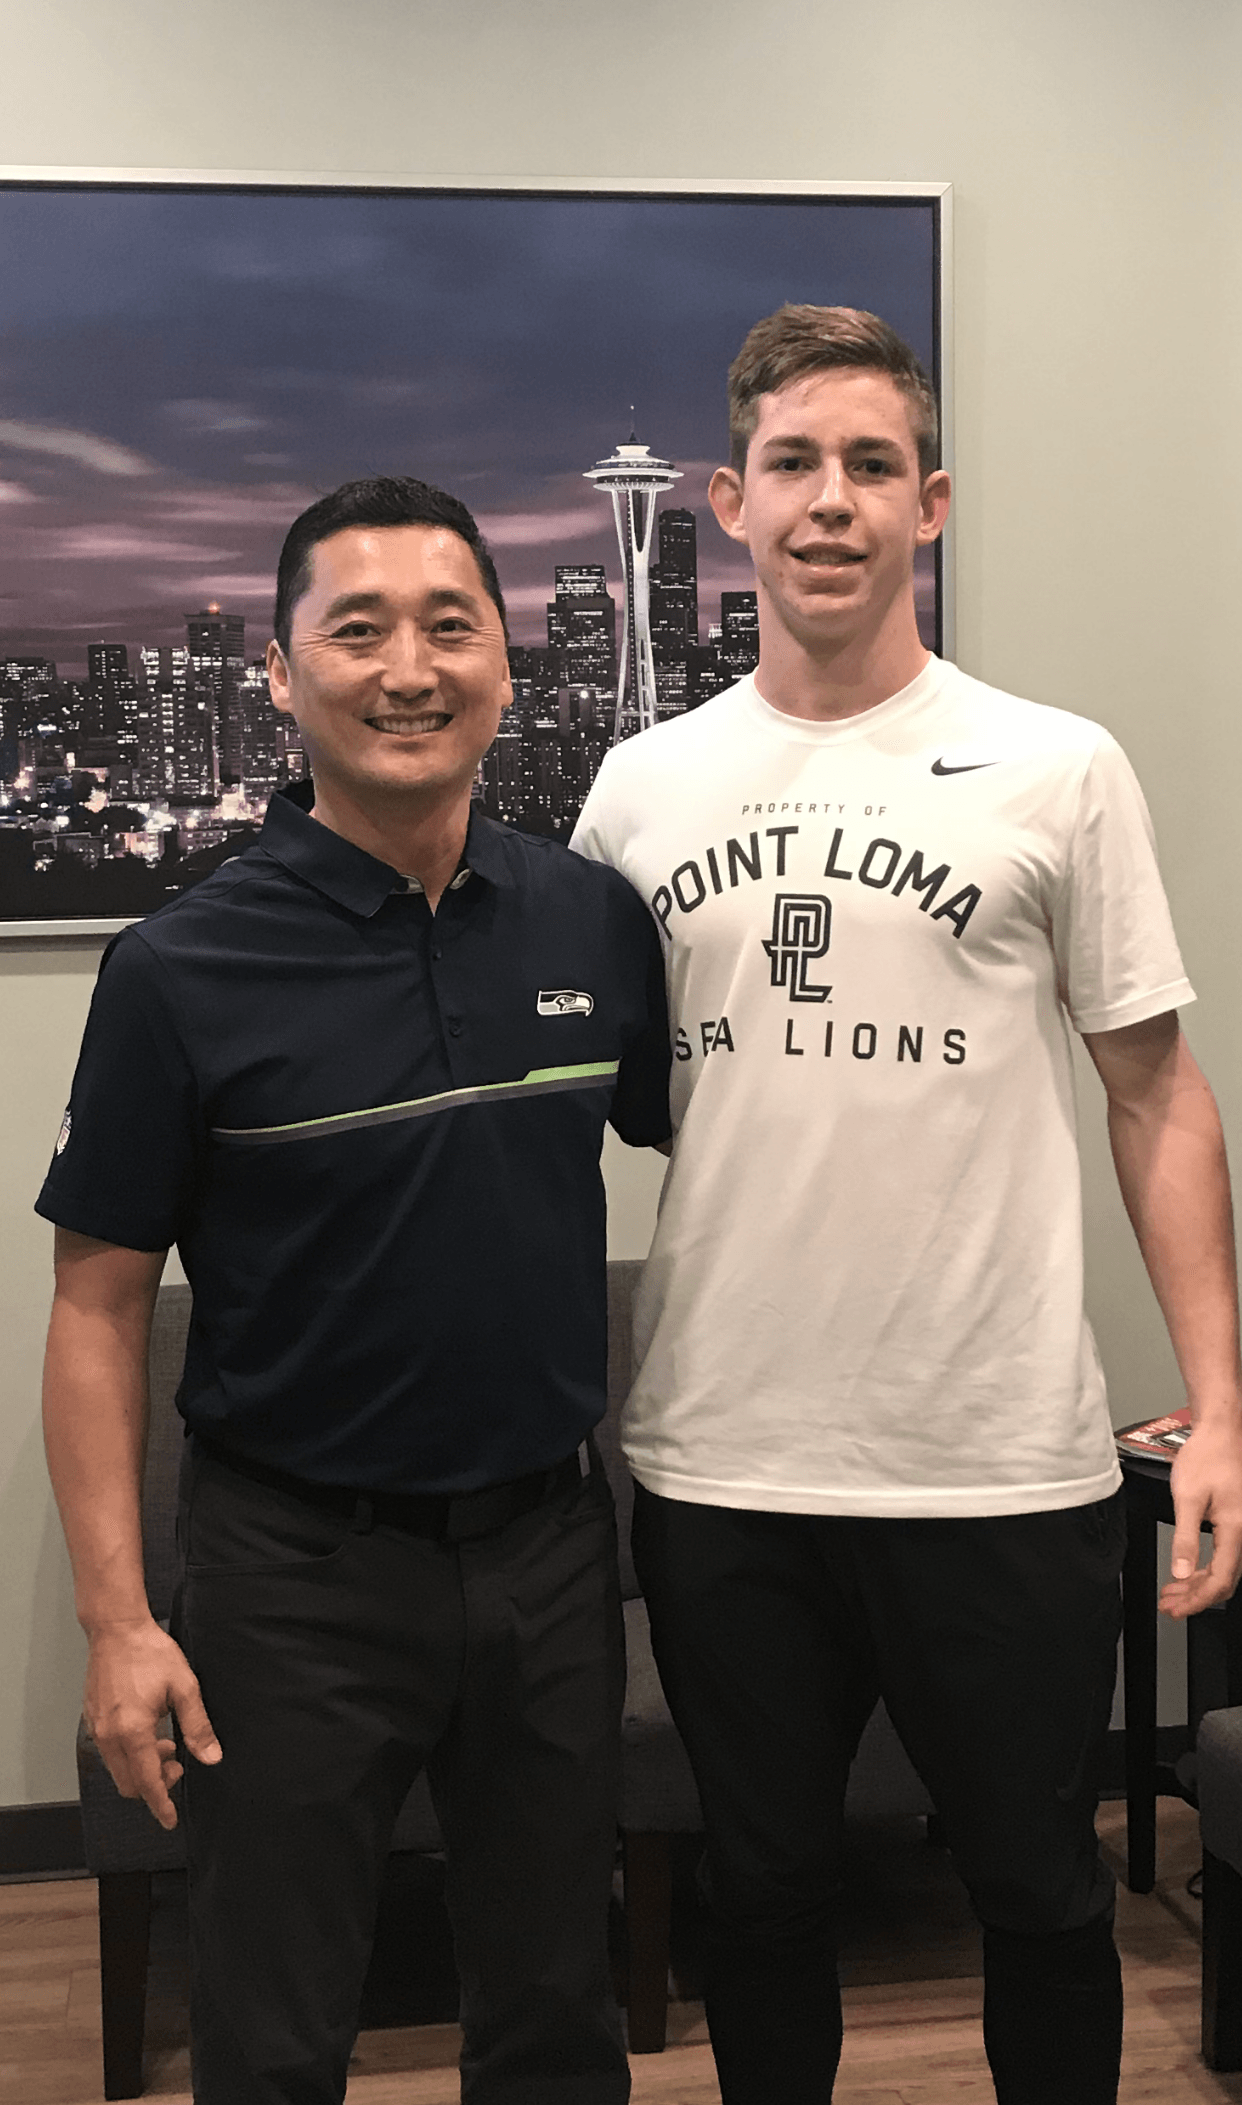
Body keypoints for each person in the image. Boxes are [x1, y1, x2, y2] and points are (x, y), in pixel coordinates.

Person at [570, 305, 1242, 2105]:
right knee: (769, 1899)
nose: (830, 501)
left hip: (996, 1460)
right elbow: (573, 1105)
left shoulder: (1054, 765)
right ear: (727, 500)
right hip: (723, 1462)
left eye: (871, 466)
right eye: (793, 464)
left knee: (1035, 1896)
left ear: (928, 505)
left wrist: (1222, 1408)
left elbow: (1155, 1094)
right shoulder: (637, 789)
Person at [39, 474, 672, 2105]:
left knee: (553, 2014)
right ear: (279, 668)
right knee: (274, 2026)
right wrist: (119, 1625)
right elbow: (99, 1309)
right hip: (291, 1576)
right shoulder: (178, 969)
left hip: (545, 1553)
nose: (411, 667)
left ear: (507, 667)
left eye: (451, 625)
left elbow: (742, 1146)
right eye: (360, 629)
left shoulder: (586, 917)